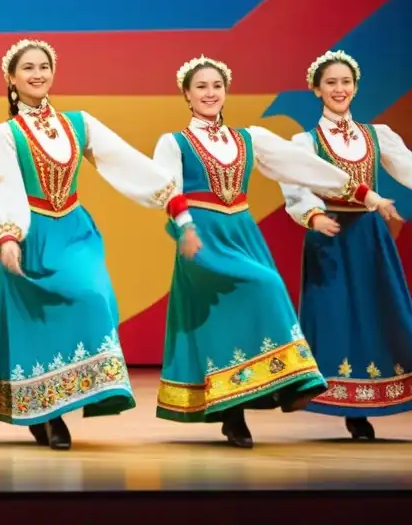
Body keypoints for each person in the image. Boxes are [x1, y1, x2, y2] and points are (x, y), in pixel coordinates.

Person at [152, 55, 395, 448]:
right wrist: (185, 228)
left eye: (216, 86)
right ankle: (253, 402)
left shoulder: (249, 138)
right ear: (186, 94)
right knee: (246, 297)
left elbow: (304, 166)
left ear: (225, 91)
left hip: (242, 233)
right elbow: (167, 187)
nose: (210, 93)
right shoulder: (174, 142)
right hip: (202, 235)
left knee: (258, 298)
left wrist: (365, 194)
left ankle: (254, 403)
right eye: (201, 87)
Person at [0, 39, 201, 450]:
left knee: (93, 296)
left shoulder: (78, 123)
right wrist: (6, 236)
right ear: (11, 78)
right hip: (31, 233)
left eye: (44, 66)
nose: (37, 74)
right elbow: (1, 184)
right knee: (38, 322)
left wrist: (173, 202)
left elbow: (125, 160)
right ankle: (48, 414)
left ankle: (70, 400)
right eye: (27, 68)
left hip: (75, 231)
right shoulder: (5, 134)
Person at [279, 49, 409, 440]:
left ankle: (373, 400)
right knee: (335, 316)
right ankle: (345, 403)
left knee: (378, 312)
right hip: (331, 235)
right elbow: (295, 183)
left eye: (345, 82)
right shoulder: (305, 142)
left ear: (355, 87)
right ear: (316, 89)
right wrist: (314, 215)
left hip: (369, 237)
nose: (339, 89)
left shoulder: (376, 136)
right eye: (331, 82)